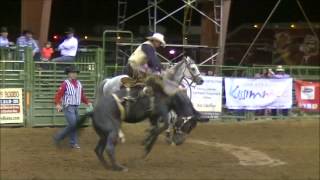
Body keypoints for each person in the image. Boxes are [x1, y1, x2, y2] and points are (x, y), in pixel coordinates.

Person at [53, 66, 92, 149]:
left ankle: (70, 142)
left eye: (75, 73)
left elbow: (81, 96)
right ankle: (62, 138)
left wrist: (87, 102)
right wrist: (57, 104)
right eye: (72, 73)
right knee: (73, 124)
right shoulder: (65, 83)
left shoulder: (79, 84)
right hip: (68, 107)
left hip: (75, 107)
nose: (74, 74)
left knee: (75, 125)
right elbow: (58, 95)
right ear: (68, 74)